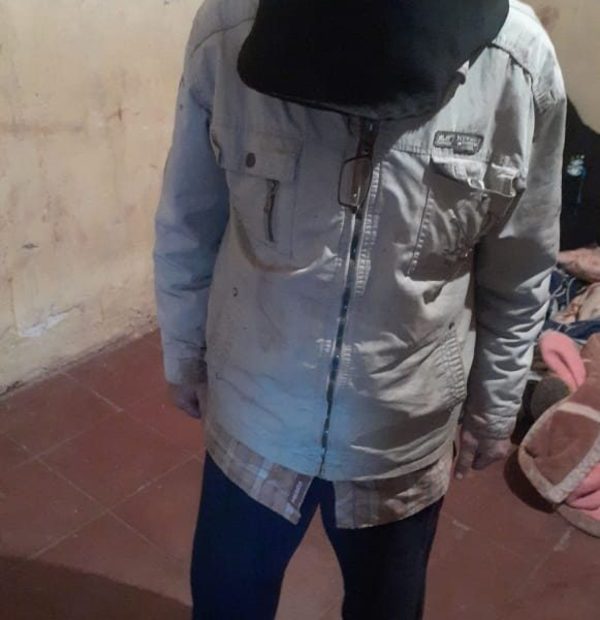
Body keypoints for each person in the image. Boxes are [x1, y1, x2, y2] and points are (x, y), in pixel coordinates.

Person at [153, 1, 566, 618]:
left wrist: (495, 406)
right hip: (254, 418)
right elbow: (188, 221)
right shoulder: (230, 29)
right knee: (226, 603)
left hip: (401, 443)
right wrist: (184, 351)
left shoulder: (520, 66)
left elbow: (521, 267)